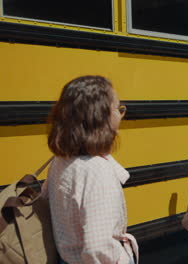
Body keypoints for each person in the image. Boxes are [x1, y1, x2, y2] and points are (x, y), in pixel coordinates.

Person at [46, 76, 138, 264]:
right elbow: (98, 247)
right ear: (100, 116)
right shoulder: (97, 171)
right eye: (117, 109)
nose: (120, 115)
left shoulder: (61, 161)